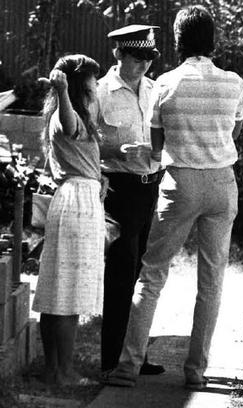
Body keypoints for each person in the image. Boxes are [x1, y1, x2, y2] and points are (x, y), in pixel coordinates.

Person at [104, 5, 243, 390]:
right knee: (212, 280)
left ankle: (127, 366)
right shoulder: (234, 83)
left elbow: (155, 147)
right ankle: (196, 371)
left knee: (151, 276)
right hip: (221, 183)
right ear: (213, 40)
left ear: (178, 40)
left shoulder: (165, 83)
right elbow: (233, 133)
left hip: (179, 183)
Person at [31, 54, 106, 386]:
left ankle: (55, 369)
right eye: (91, 78)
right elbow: (69, 124)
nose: (95, 85)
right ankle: (63, 372)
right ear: (79, 83)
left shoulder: (79, 115)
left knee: (59, 290)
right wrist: (62, 91)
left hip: (78, 198)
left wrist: (98, 177)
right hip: (76, 203)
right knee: (68, 293)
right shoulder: (67, 114)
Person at [95, 24, 165, 376]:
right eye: (136, 59)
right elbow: (85, 142)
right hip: (119, 187)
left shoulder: (155, 90)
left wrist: (158, 152)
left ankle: (135, 354)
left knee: (144, 274)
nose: (143, 66)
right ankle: (112, 358)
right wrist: (116, 149)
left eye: (148, 59)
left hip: (151, 185)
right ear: (118, 54)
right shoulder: (101, 92)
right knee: (121, 274)